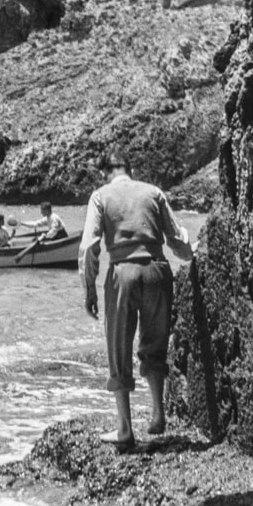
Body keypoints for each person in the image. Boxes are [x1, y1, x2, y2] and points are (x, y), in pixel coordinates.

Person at [78, 156, 192, 452]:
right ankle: (158, 414)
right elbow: (176, 238)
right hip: (157, 269)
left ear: (105, 173)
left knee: (119, 348)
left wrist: (89, 288)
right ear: (132, 170)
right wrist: (192, 255)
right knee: (155, 342)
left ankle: (126, 429)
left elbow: (89, 245)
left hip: (123, 273)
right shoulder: (153, 191)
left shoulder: (100, 196)